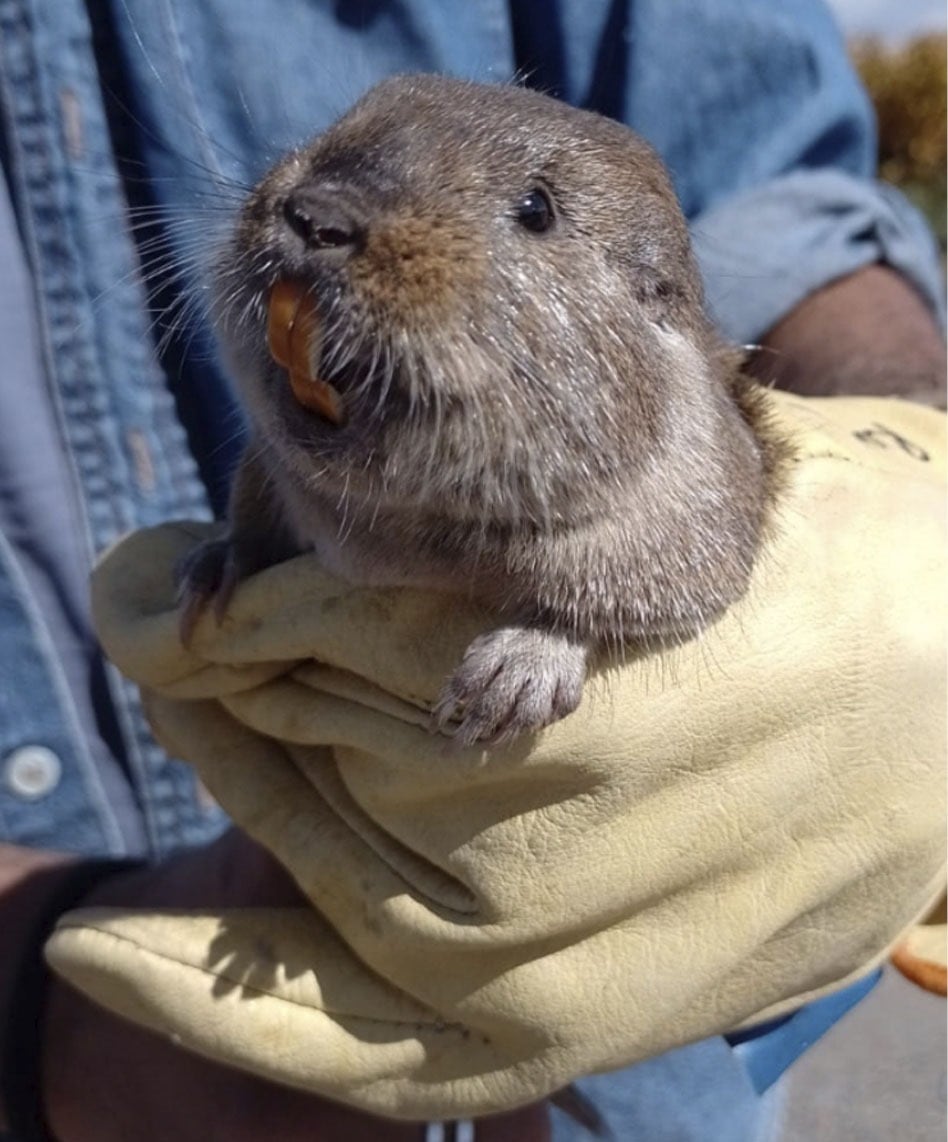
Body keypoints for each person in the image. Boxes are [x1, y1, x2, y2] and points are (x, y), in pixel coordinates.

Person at [0, 1, 944, 1140]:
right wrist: (34, 1011)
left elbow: (778, 183)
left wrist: (920, 456)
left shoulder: (672, 462)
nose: (313, 215)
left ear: (652, 300)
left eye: (533, 214)